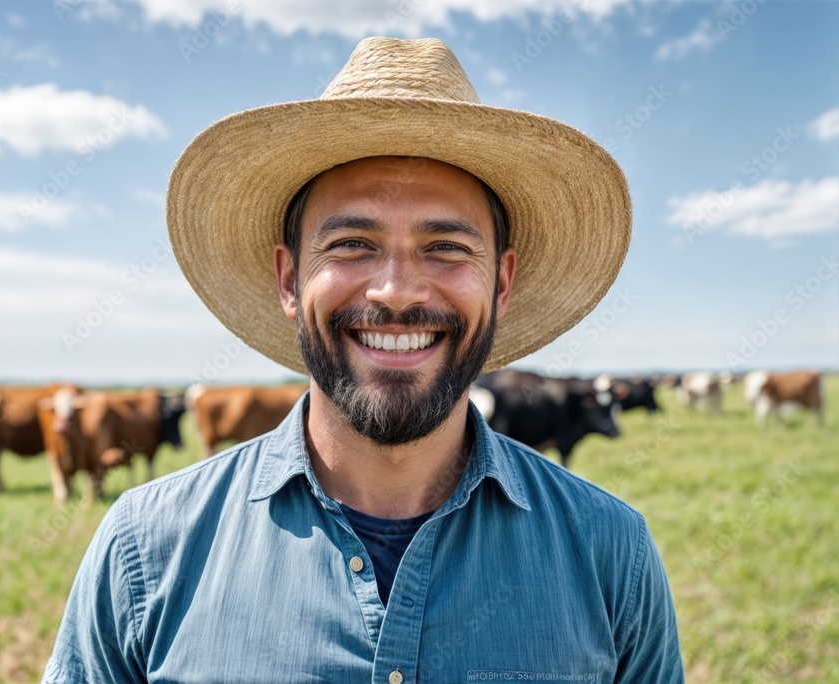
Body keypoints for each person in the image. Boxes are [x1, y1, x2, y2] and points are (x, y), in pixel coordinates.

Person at [44, 37, 683, 683]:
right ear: (290, 280)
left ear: (502, 283)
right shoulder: (145, 547)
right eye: (351, 243)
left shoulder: (611, 553)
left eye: (446, 248)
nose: (397, 291)